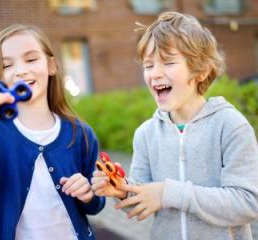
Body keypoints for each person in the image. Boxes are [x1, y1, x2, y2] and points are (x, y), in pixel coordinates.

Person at [91, 11, 258, 240]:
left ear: (201, 71)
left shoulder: (230, 126)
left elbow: (248, 203)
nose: (155, 73)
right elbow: (139, 204)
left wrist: (169, 194)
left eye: (168, 62)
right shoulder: (146, 134)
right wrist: (122, 191)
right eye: (148, 66)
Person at [0, 24, 105, 240]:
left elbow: (97, 203)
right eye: (7, 65)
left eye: (31, 59)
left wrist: (88, 193)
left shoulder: (81, 133)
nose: (20, 70)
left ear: (51, 66)